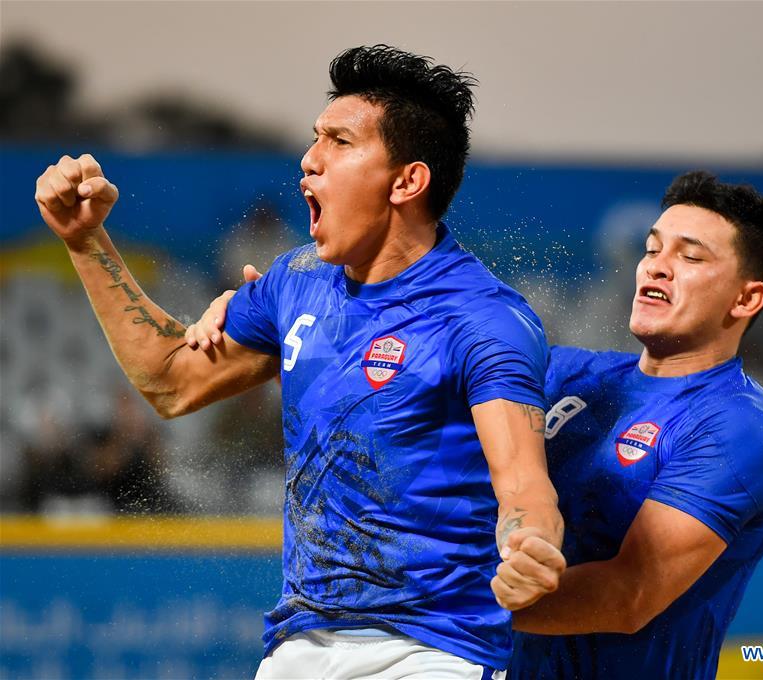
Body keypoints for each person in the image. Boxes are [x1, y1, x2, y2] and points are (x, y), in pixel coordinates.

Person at [34, 45, 565, 679]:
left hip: (432, 654)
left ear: (406, 181)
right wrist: (86, 242)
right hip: (300, 646)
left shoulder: (482, 320)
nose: (309, 161)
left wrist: (530, 544)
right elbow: (171, 380)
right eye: (315, 139)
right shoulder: (298, 281)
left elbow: (524, 486)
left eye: (339, 142)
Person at [190, 171, 763, 678]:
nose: (656, 268)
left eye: (690, 257)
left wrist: (428, 605)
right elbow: (393, 411)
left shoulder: (742, 425)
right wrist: (290, 322)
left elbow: (628, 594)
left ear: (746, 299)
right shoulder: (566, 375)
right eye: (652, 247)